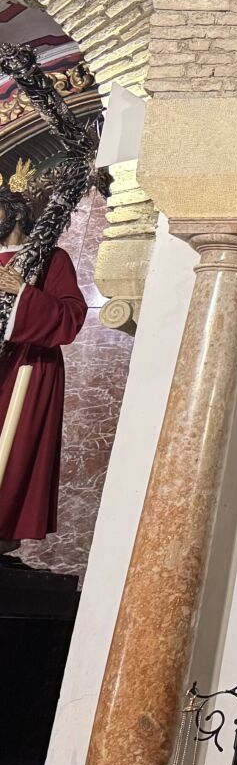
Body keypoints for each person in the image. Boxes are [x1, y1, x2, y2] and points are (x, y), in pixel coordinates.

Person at [0, 187, 88, 558]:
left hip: (24, 369)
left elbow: (70, 318)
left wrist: (23, 294)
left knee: (11, 451)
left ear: (15, 214)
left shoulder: (51, 260)